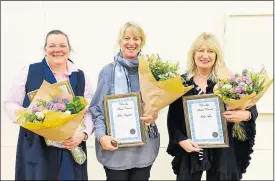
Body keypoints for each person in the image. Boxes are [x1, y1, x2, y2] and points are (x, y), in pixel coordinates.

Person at [3, 30, 94, 180]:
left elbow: (89, 111)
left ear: (69, 49)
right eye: (52, 45)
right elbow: (9, 103)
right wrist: (28, 116)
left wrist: (82, 135)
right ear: (45, 49)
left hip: (70, 146)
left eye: (62, 46)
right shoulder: (29, 71)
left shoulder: (81, 76)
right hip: (35, 146)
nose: (57, 50)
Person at [166, 32, 258, 180]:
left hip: (222, 152)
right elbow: (173, 119)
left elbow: (251, 108)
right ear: (193, 54)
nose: (205, 55)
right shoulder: (182, 83)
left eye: (210, 51)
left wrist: (246, 115)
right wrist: (181, 140)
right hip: (191, 149)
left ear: (216, 56)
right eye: (200, 50)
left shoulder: (228, 81)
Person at [89, 21, 160, 180]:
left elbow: (156, 104)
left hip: (144, 150)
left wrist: (154, 114)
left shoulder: (151, 71)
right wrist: (101, 136)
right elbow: (96, 109)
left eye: (136, 38)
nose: (131, 43)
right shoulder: (107, 72)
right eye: (127, 38)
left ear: (142, 42)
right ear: (120, 42)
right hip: (115, 150)